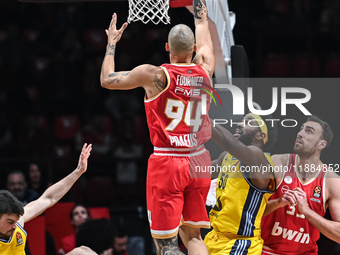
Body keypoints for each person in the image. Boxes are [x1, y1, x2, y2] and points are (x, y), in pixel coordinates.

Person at [100, 0, 215, 254]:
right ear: (194, 49)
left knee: (167, 244)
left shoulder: (155, 76)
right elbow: (202, 22)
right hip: (199, 160)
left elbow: (106, 80)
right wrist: (198, 3)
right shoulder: (206, 68)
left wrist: (111, 43)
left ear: (166, 48)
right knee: (194, 236)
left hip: (169, 162)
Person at [261, 116, 339, 255]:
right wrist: (279, 202)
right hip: (266, 250)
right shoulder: (277, 163)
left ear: (322, 144)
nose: (300, 133)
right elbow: (250, 211)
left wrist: (307, 211)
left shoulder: (331, 181)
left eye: (308, 131)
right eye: (301, 129)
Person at [204, 113, 278, 254]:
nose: (239, 124)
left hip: (240, 244)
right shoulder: (226, 157)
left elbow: (229, 143)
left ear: (260, 136)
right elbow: (197, 172)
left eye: (249, 122)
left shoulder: (259, 157)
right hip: (214, 236)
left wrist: (201, 116)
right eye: (242, 120)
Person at [0, 143, 92, 255]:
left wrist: (78, 171)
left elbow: (49, 198)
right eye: (10, 222)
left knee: (83, 252)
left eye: (15, 220)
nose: (15, 225)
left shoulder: (17, 222)